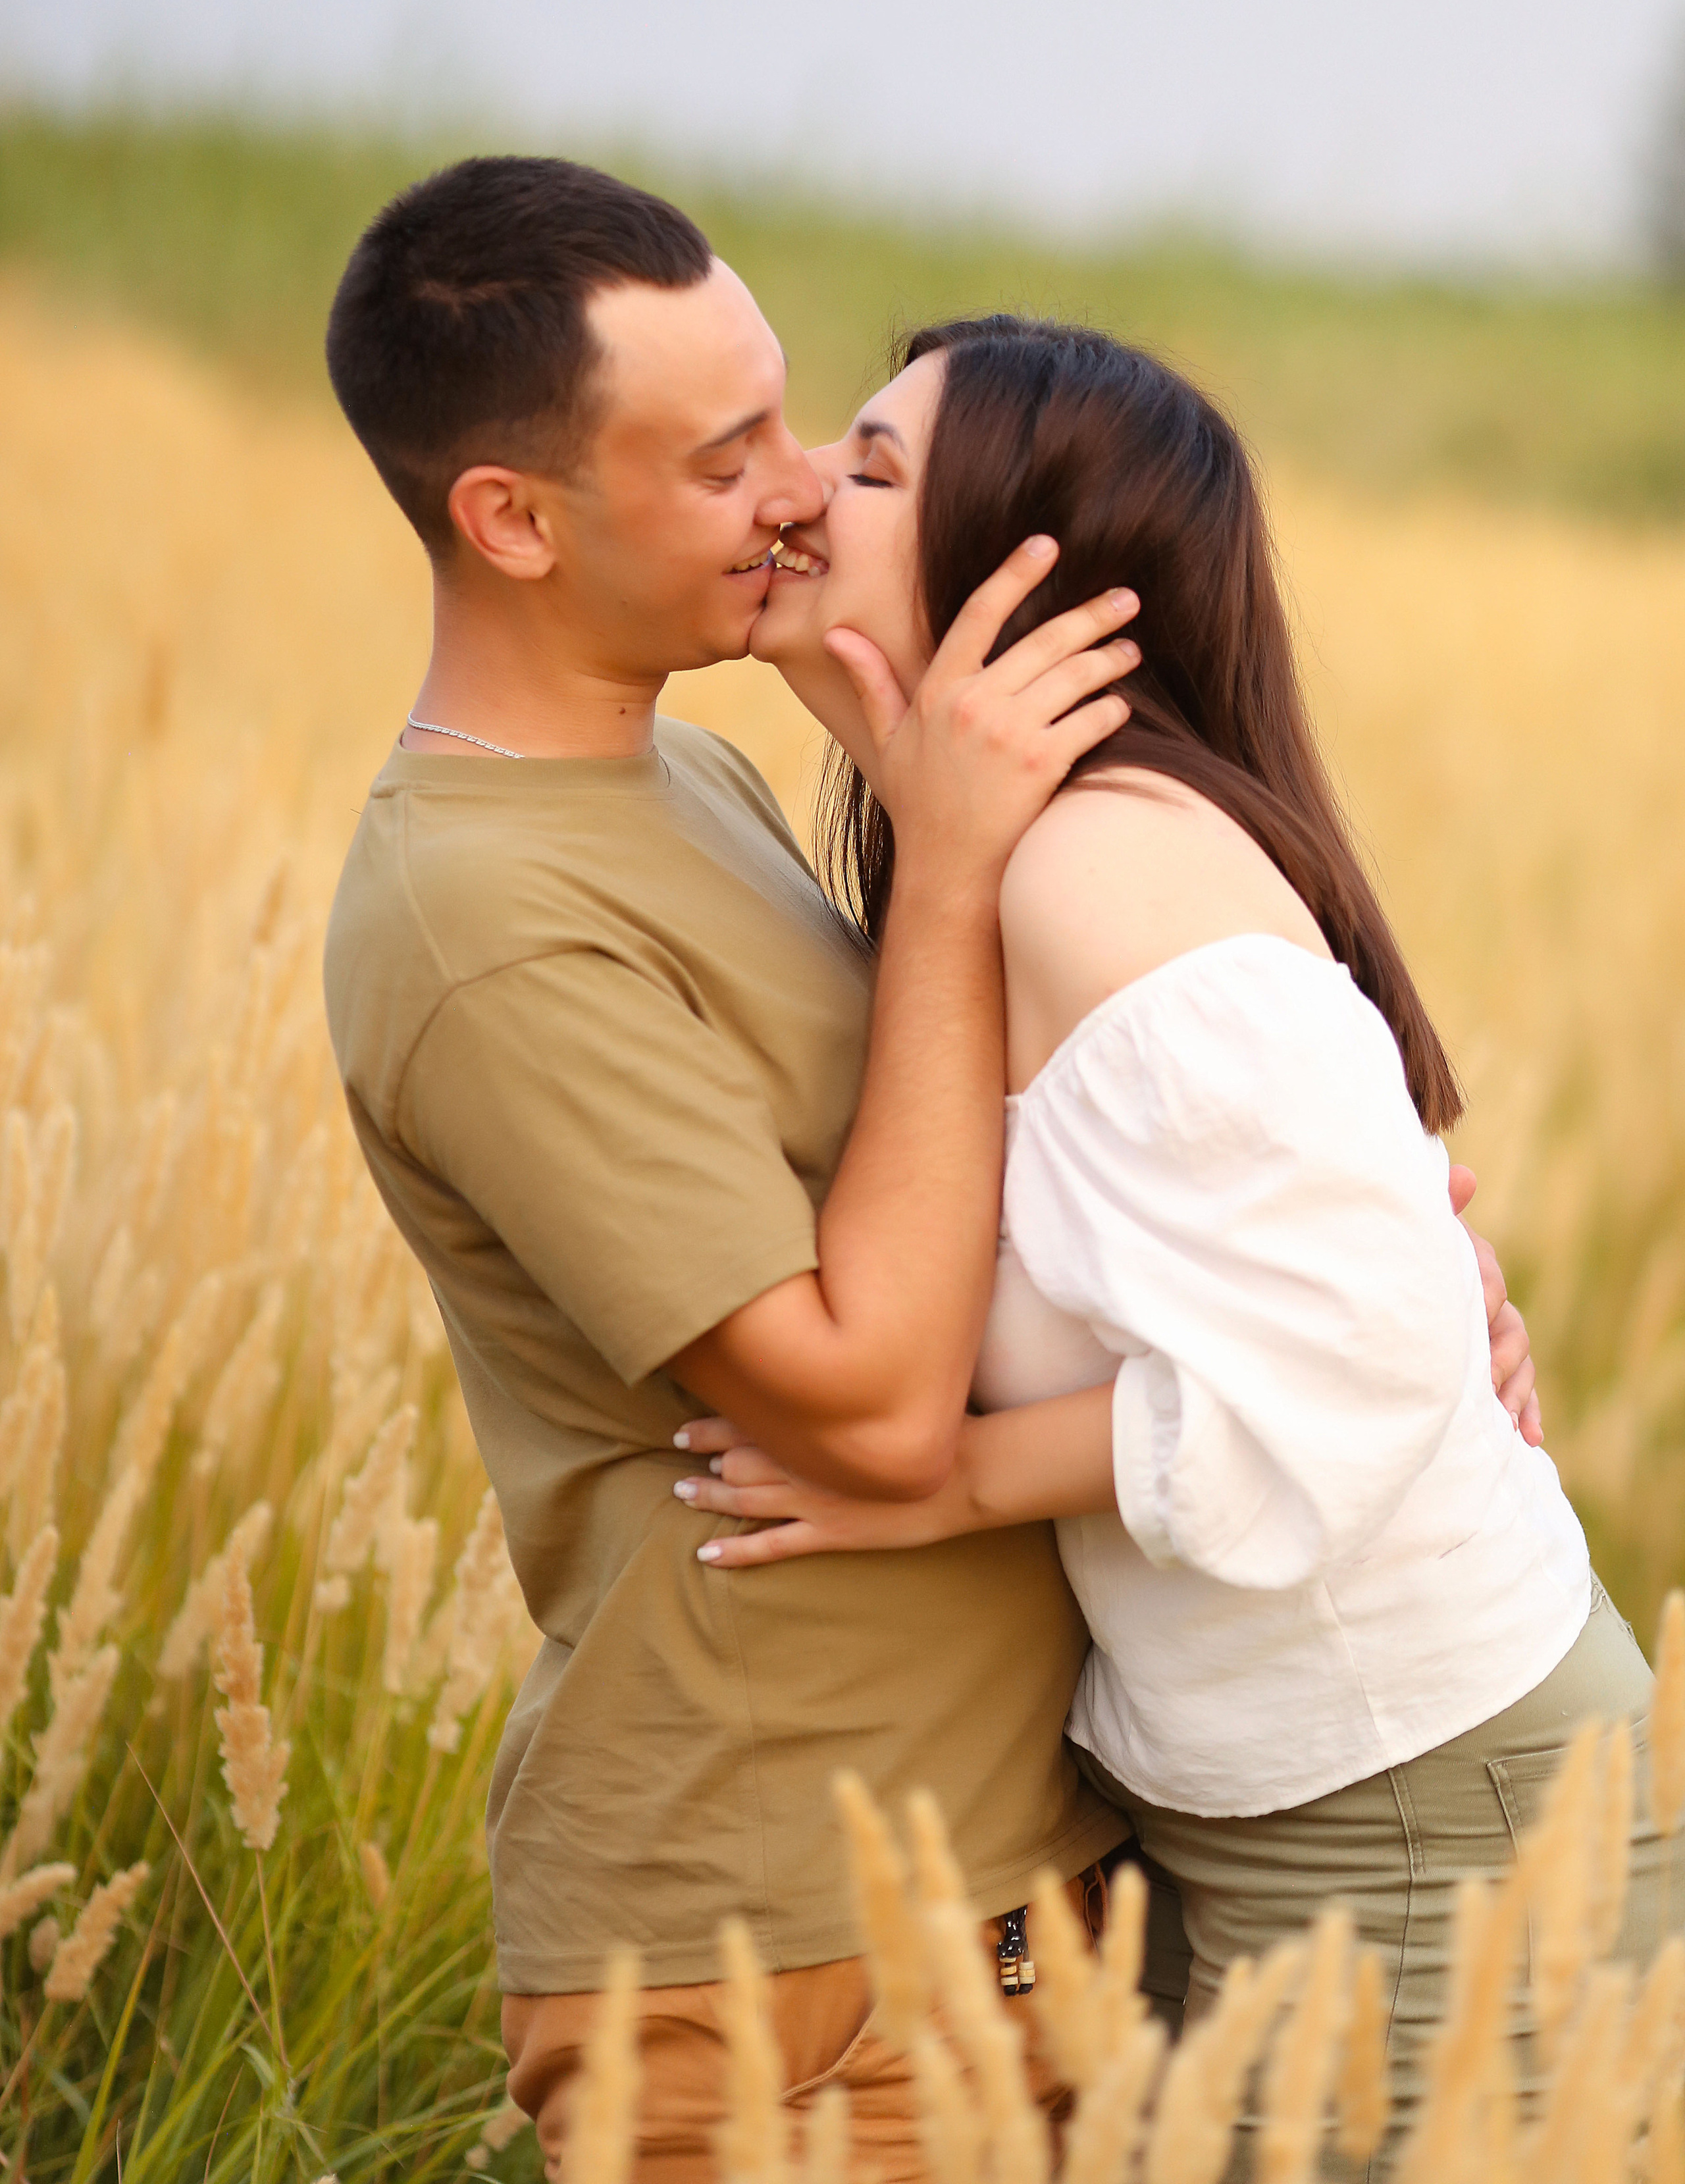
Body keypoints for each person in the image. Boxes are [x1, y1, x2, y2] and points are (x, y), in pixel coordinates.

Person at [675, 315, 1671, 2162]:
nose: (804, 481)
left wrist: (936, 1479)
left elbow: (1352, 1359)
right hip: (1299, 1808)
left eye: (875, 465)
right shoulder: (979, 866)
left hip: (1433, 1818)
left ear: (1026, 580)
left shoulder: (1090, 869)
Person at [321, 158, 1150, 2184]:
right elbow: (867, 1403)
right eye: (721, 461)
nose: (800, 488)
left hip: (1029, 1887)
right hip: (785, 1976)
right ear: (510, 521)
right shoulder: (483, 926)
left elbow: (960, 1173)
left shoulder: (680, 761)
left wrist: (1346, 1282)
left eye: (790, 416)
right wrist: (947, 867)